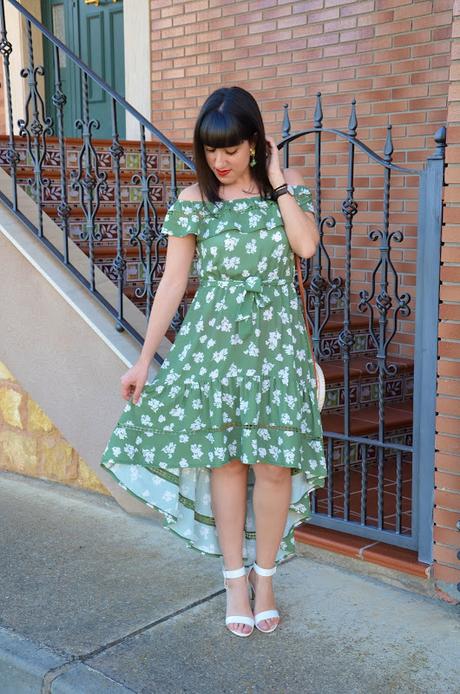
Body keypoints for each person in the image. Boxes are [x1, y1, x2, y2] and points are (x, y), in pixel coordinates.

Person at [100, 86, 327, 638]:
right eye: (209, 150)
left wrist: (277, 185)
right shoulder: (194, 202)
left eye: (230, 148)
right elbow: (174, 283)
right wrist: (143, 359)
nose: (218, 161)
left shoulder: (289, 190)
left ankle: (265, 578)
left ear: (254, 143)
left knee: (274, 466)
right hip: (215, 353)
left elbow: (306, 247)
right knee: (225, 462)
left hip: (277, 352)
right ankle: (233, 579)